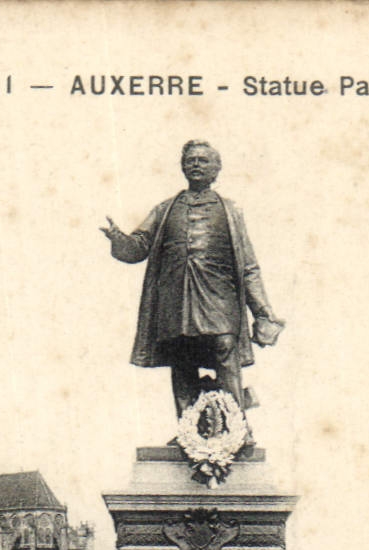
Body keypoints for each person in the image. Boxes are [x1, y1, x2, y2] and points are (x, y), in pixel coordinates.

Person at [101, 140, 283, 419]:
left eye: (203, 160)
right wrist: (118, 238)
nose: (196, 164)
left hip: (219, 296)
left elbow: (248, 266)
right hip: (177, 300)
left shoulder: (231, 211)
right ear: (183, 167)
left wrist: (262, 311)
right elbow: (138, 247)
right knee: (182, 355)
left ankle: (235, 427)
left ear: (217, 169)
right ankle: (188, 429)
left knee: (224, 348)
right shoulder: (165, 209)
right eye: (191, 160)